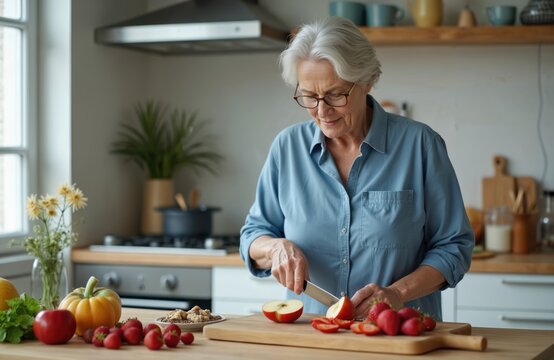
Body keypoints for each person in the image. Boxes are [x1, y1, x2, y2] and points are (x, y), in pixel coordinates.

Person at [239, 16, 473, 320]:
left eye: (336, 94)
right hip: (313, 337)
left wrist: (397, 294)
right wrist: (275, 249)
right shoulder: (287, 148)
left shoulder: (421, 146)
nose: (322, 111)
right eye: (309, 96)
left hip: (400, 337)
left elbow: (454, 247)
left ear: (367, 80)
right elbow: (254, 234)